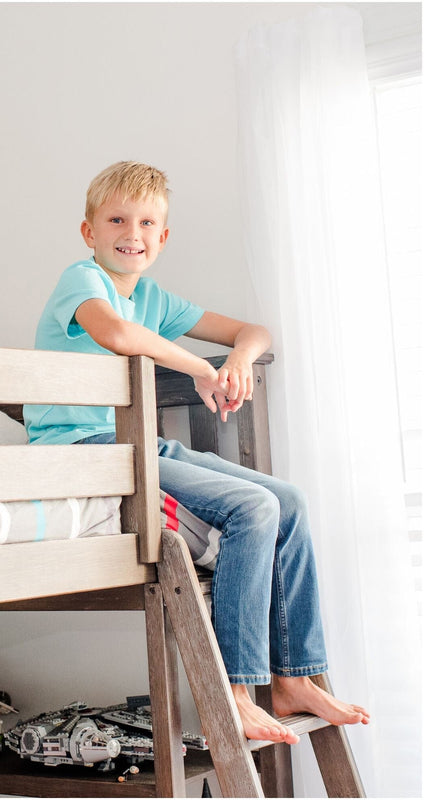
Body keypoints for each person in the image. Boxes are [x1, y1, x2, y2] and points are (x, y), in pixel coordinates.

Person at [24, 161, 369, 744]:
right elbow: (116, 334)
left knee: (288, 499)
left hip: (136, 441)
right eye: (116, 220)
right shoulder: (82, 280)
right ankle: (235, 693)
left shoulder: (152, 297)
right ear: (89, 231)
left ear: (162, 237)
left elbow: (254, 332)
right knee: (253, 508)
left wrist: (236, 360)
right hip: (80, 448)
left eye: (146, 223)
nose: (131, 233)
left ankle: (293, 678)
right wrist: (198, 368)